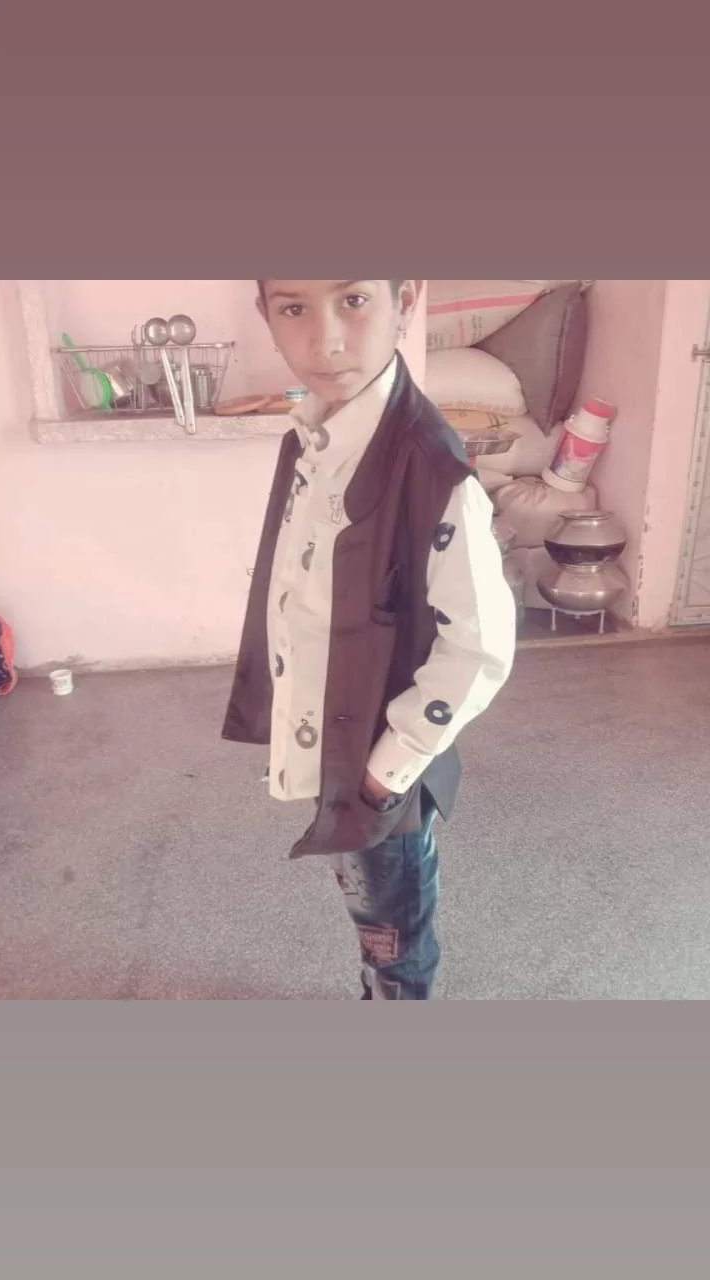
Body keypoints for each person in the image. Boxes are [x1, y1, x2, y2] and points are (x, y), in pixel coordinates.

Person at [222, 279, 516, 999]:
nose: (325, 340)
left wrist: (385, 775)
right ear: (266, 314)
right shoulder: (316, 433)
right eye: (294, 308)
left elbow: (479, 646)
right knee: (371, 913)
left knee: (393, 941)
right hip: (338, 741)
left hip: (381, 771)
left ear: (405, 299)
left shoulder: (432, 467)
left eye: (353, 299)